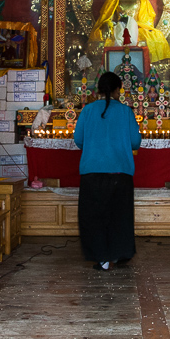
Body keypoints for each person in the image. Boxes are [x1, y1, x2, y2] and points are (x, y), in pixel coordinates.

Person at [73, 72, 141, 270]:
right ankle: (120, 255)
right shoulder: (126, 112)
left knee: (94, 216)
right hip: (120, 172)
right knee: (120, 216)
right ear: (117, 89)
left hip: (92, 172)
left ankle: (101, 258)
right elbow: (135, 142)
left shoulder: (87, 111)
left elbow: (79, 140)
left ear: (98, 90)